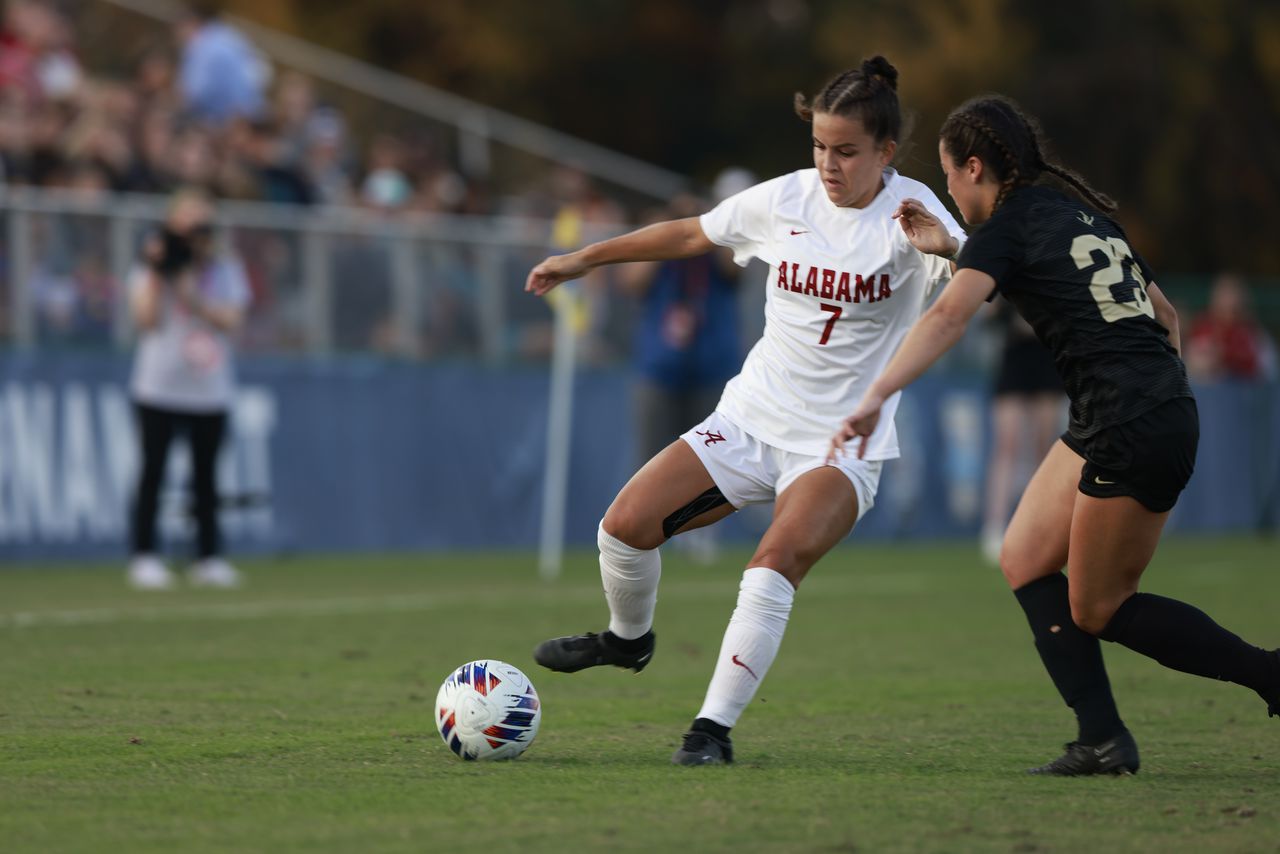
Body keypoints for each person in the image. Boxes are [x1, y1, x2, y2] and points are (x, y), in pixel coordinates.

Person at [525, 57, 966, 765]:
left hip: (840, 444)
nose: (829, 164)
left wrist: (951, 248)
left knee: (770, 566)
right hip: (753, 418)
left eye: (847, 151)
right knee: (623, 527)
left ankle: (710, 731)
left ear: (886, 152)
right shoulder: (786, 199)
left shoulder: (915, 213)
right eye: (820, 146)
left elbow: (984, 287)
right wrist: (586, 257)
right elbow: (693, 233)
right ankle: (627, 639)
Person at [831, 95, 1279, 775]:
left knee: (1099, 606)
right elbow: (1164, 315)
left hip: (1127, 419)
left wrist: (877, 393)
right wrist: (956, 246)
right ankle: (1101, 737)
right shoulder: (1077, 214)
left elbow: (951, 317)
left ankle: (1269, 676)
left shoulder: (1007, 226)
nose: (948, 189)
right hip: (1138, 410)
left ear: (975, 167)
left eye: (950, 174)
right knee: (1024, 557)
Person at [127, 187, 250, 590]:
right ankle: (144, 555)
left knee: (206, 477)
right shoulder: (152, 267)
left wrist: (192, 294)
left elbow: (231, 320)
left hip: (209, 388)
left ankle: (208, 557)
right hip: (159, 386)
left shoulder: (225, 268)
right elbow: (144, 321)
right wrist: (161, 272)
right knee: (153, 471)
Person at [980, 301, 1065, 564]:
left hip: (1046, 359)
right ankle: (995, 526)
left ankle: (1042, 525)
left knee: (1044, 448)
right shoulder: (1006, 271)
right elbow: (987, 315)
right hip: (1014, 359)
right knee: (1007, 445)